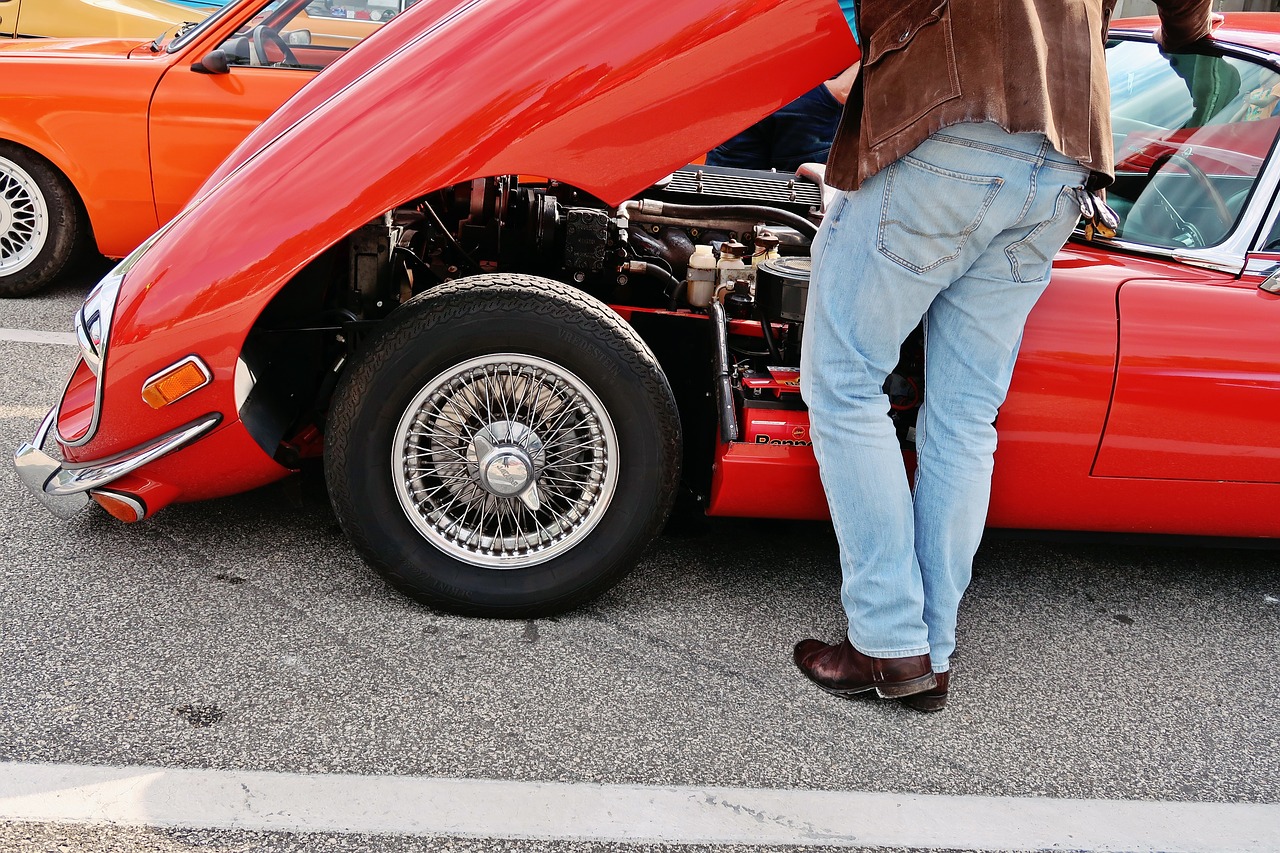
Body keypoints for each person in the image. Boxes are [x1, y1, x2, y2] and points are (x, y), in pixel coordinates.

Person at [793, 0, 1216, 712]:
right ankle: (932, 652)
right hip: (1067, 147)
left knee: (844, 385)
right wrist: (1188, 34)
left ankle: (890, 643)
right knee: (964, 415)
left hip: (950, 112)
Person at [706, 64, 860, 173]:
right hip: (747, 78)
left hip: (817, 88)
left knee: (805, 210)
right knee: (721, 202)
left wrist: (839, 90)